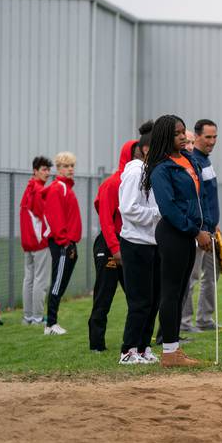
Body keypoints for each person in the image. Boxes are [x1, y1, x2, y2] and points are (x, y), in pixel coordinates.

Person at [144, 114, 212, 367]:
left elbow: (198, 200)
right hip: (174, 233)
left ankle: (174, 349)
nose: (183, 136)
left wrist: (203, 228)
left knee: (181, 291)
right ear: (165, 137)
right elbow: (168, 207)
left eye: (184, 131)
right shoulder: (161, 168)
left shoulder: (188, 160)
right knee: (171, 293)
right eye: (177, 133)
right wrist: (195, 232)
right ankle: (170, 352)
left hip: (189, 233)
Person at [118, 121, 161, 364]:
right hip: (135, 244)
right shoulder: (135, 172)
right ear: (146, 149)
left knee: (153, 299)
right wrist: (157, 213)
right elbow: (128, 208)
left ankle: (143, 347)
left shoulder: (149, 171)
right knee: (140, 301)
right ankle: (128, 349)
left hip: (151, 243)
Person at [87, 140, 136, 351]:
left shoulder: (136, 181)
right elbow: (106, 220)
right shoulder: (111, 184)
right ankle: (97, 344)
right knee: (103, 296)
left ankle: (134, 341)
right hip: (109, 246)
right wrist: (115, 249)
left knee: (136, 297)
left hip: (128, 244)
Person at [181, 119, 222, 333]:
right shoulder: (193, 162)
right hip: (200, 231)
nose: (212, 141)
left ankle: (205, 319)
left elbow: (210, 198)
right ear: (197, 137)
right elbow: (198, 200)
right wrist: (202, 230)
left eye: (215, 137)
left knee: (213, 274)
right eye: (208, 137)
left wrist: (215, 226)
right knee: (192, 277)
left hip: (211, 229)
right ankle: (185, 323)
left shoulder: (206, 160)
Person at [42, 151, 82, 335]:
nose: (70, 169)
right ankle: (50, 324)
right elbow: (55, 218)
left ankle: (51, 323)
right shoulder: (58, 188)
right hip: (62, 244)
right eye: (66, 166)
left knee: (61, 282)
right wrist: (65, 242)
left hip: (68, 242)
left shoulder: (66, 188)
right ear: (58, 169)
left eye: (72, 165)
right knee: (58, 283)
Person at [20, 156, 52, 325]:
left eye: (48, 169)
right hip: (39, 241)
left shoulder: (29, 188)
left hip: (27, 241)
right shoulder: (39, 190)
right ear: (35, 171)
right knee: (41, 280)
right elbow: (44, 216)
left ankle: (28, 317)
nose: (47, 173)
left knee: (29, 279)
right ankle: (38, 317)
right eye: (44, 169)